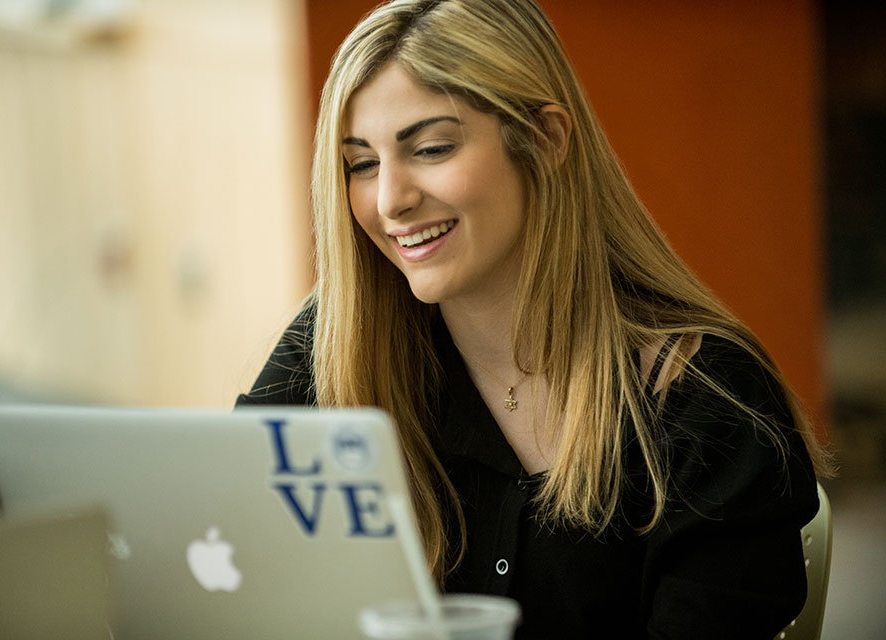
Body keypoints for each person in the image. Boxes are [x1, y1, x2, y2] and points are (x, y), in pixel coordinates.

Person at [237, 0, 834, 637]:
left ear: (546, 140)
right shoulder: (335, 345)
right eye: (361, 163)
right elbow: (227, 558)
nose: (390, 200)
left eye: (432, 148)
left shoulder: (707, 400)